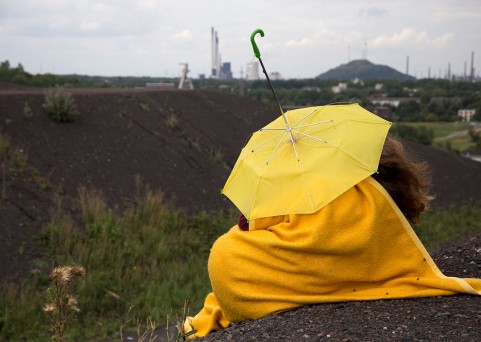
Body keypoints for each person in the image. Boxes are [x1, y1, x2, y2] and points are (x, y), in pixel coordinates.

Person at [184, 135, 481, 338]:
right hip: (312, 271)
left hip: (239, 280)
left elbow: (250, 224)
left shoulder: (310, 185)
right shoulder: (372, 197)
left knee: (226, 248)